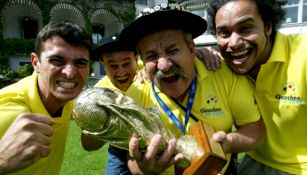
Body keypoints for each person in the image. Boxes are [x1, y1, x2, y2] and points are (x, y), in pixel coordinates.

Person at [117, 6, 266, 175]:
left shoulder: (223, 74)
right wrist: (143, 169)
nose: (164, 66)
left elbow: (255, 129)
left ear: (191, 49)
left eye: (173, 50)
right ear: (142, 60)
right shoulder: (134, 95)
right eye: (151, 56)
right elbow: (131, 159)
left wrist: (228, 142)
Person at [206, 0, 307, 174]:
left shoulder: (302, 54)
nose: (234, 43)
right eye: (224, 33)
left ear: (268, 26)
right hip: (253, 162)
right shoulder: (223, 66)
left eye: (245, 28)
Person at [0, 21, 92, 174]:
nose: (70, 73)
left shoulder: (67, 98)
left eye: (80, 62)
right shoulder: (9, 109)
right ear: (36, 63)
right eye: (57, 60)